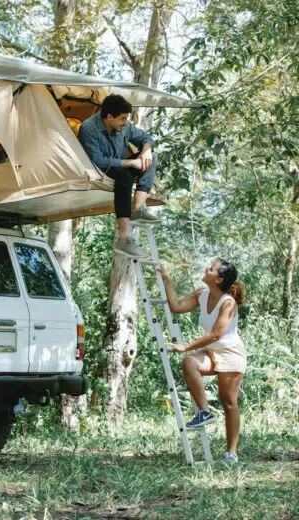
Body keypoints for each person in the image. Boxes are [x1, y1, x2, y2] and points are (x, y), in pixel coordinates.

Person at [157, 259, 247, 464]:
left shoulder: (228, 302)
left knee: (229, 402)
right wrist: (167, 280)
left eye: (211, 269)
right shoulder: (201, 294)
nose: (206, 269)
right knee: (189, 363)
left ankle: (231, 453)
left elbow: (216, 334)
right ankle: (205, 412)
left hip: (231, 353)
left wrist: (186, 346)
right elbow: (176, 306)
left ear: (219, 279)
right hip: (212, 352)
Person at [78, 94, 160, 258]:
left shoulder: (125, 127)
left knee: (153, 158)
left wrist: (146, 151)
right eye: (122, 118)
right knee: (125, 176)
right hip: (97, 170)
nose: (125, 122)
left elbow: (146, 138)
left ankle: (137, 208)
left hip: (119, 165)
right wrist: (131, 163)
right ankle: (124, 239)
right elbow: (98, 160)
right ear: (109, 117)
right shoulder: (88, 128)